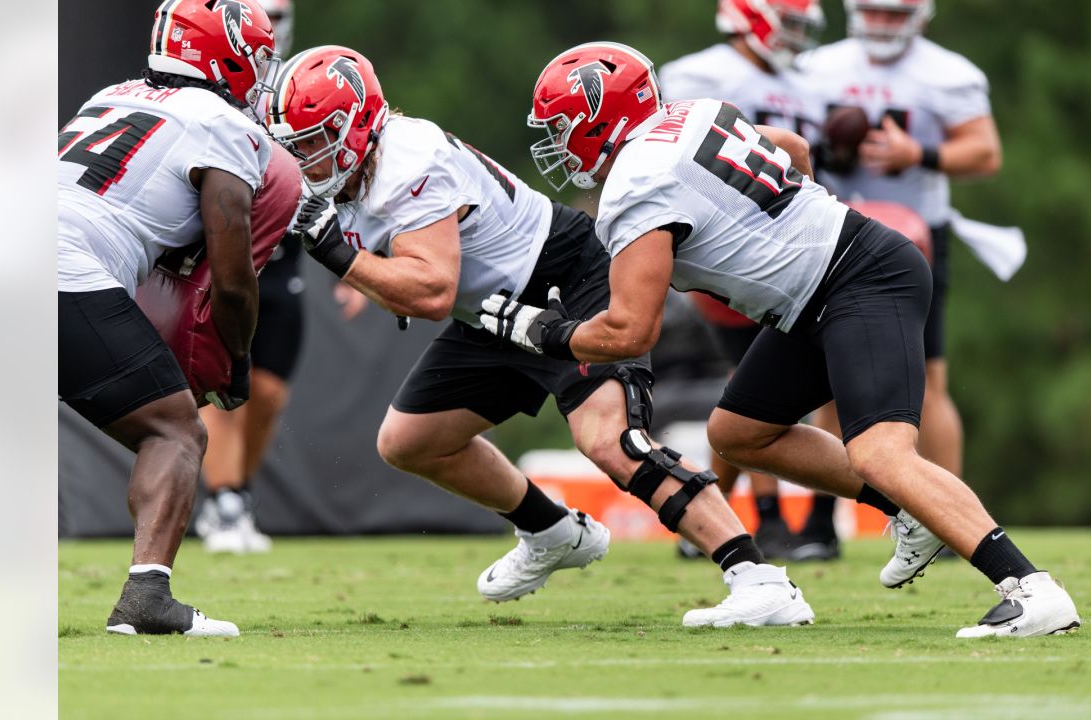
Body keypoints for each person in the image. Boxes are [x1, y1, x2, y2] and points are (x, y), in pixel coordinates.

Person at [487, 41, 1080, 637]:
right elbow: (793, 150)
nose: (558, 144)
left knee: (879, 452)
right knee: (739, 433)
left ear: (600, 117)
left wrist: (547, 332)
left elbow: (632, 330)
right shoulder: (693, 114)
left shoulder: (634, 186)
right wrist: (793, 228)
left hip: (857, 278)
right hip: (827, 285)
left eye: (563, 127)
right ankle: (910, 511)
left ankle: (1029, 588)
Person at [267, 45, 814, 627]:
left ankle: (756, 576)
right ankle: (551, 530)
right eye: (294, 143)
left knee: (610, 440)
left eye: (311, 139)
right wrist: (366, 268)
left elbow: (430, 293)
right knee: (411, 440)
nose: (303, 157)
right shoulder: (360, 165)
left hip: (567, 279)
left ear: (354, 126)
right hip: (497, 311)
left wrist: (343, 259)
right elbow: (406, 260)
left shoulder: (407, 159)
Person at [58, 0, 281, 635]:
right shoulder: (220, 122)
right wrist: (236, 360)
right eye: (254, 57)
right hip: (63, 265)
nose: (259, 72)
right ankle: (147, 598)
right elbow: (233, 281)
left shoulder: (112, 95)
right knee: (176, 431)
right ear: (223, 53)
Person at [793, 0, 1004, 557]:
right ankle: (820, 520)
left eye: (894, 13)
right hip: (831, 233)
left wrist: (920, 153)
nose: (882, 23)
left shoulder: (948, 73)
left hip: (915, 239)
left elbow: (985, 152)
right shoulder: (817, 66)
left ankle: (957, 519)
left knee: (929, 380)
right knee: (827, 378)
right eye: (874, 11)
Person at [659, 0, 835, 561]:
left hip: (793, 243)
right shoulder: (699, 74)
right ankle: (766, 517)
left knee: (755, 389)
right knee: (754, 384)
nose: (796, 38)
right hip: (732, 243)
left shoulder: (808, 83)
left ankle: (714, 512)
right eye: (791, 22)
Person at [195, 0, 302, 555]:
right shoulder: (215, 83)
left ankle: (236, 493)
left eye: (282, 14)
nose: (275, 26)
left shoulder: (302, 80)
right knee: (221, 384)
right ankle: (227, 499)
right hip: (222, 250)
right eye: (266, 14)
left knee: (267, 393)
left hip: (286, 259)